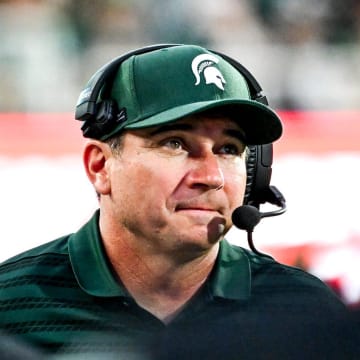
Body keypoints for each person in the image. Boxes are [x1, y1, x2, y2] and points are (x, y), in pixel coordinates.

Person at [0, 44, 356, 358]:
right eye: (175, 143)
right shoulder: (10, 306)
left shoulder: (304, 309)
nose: (211, 176)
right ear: (100, 166)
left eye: (229, 149)